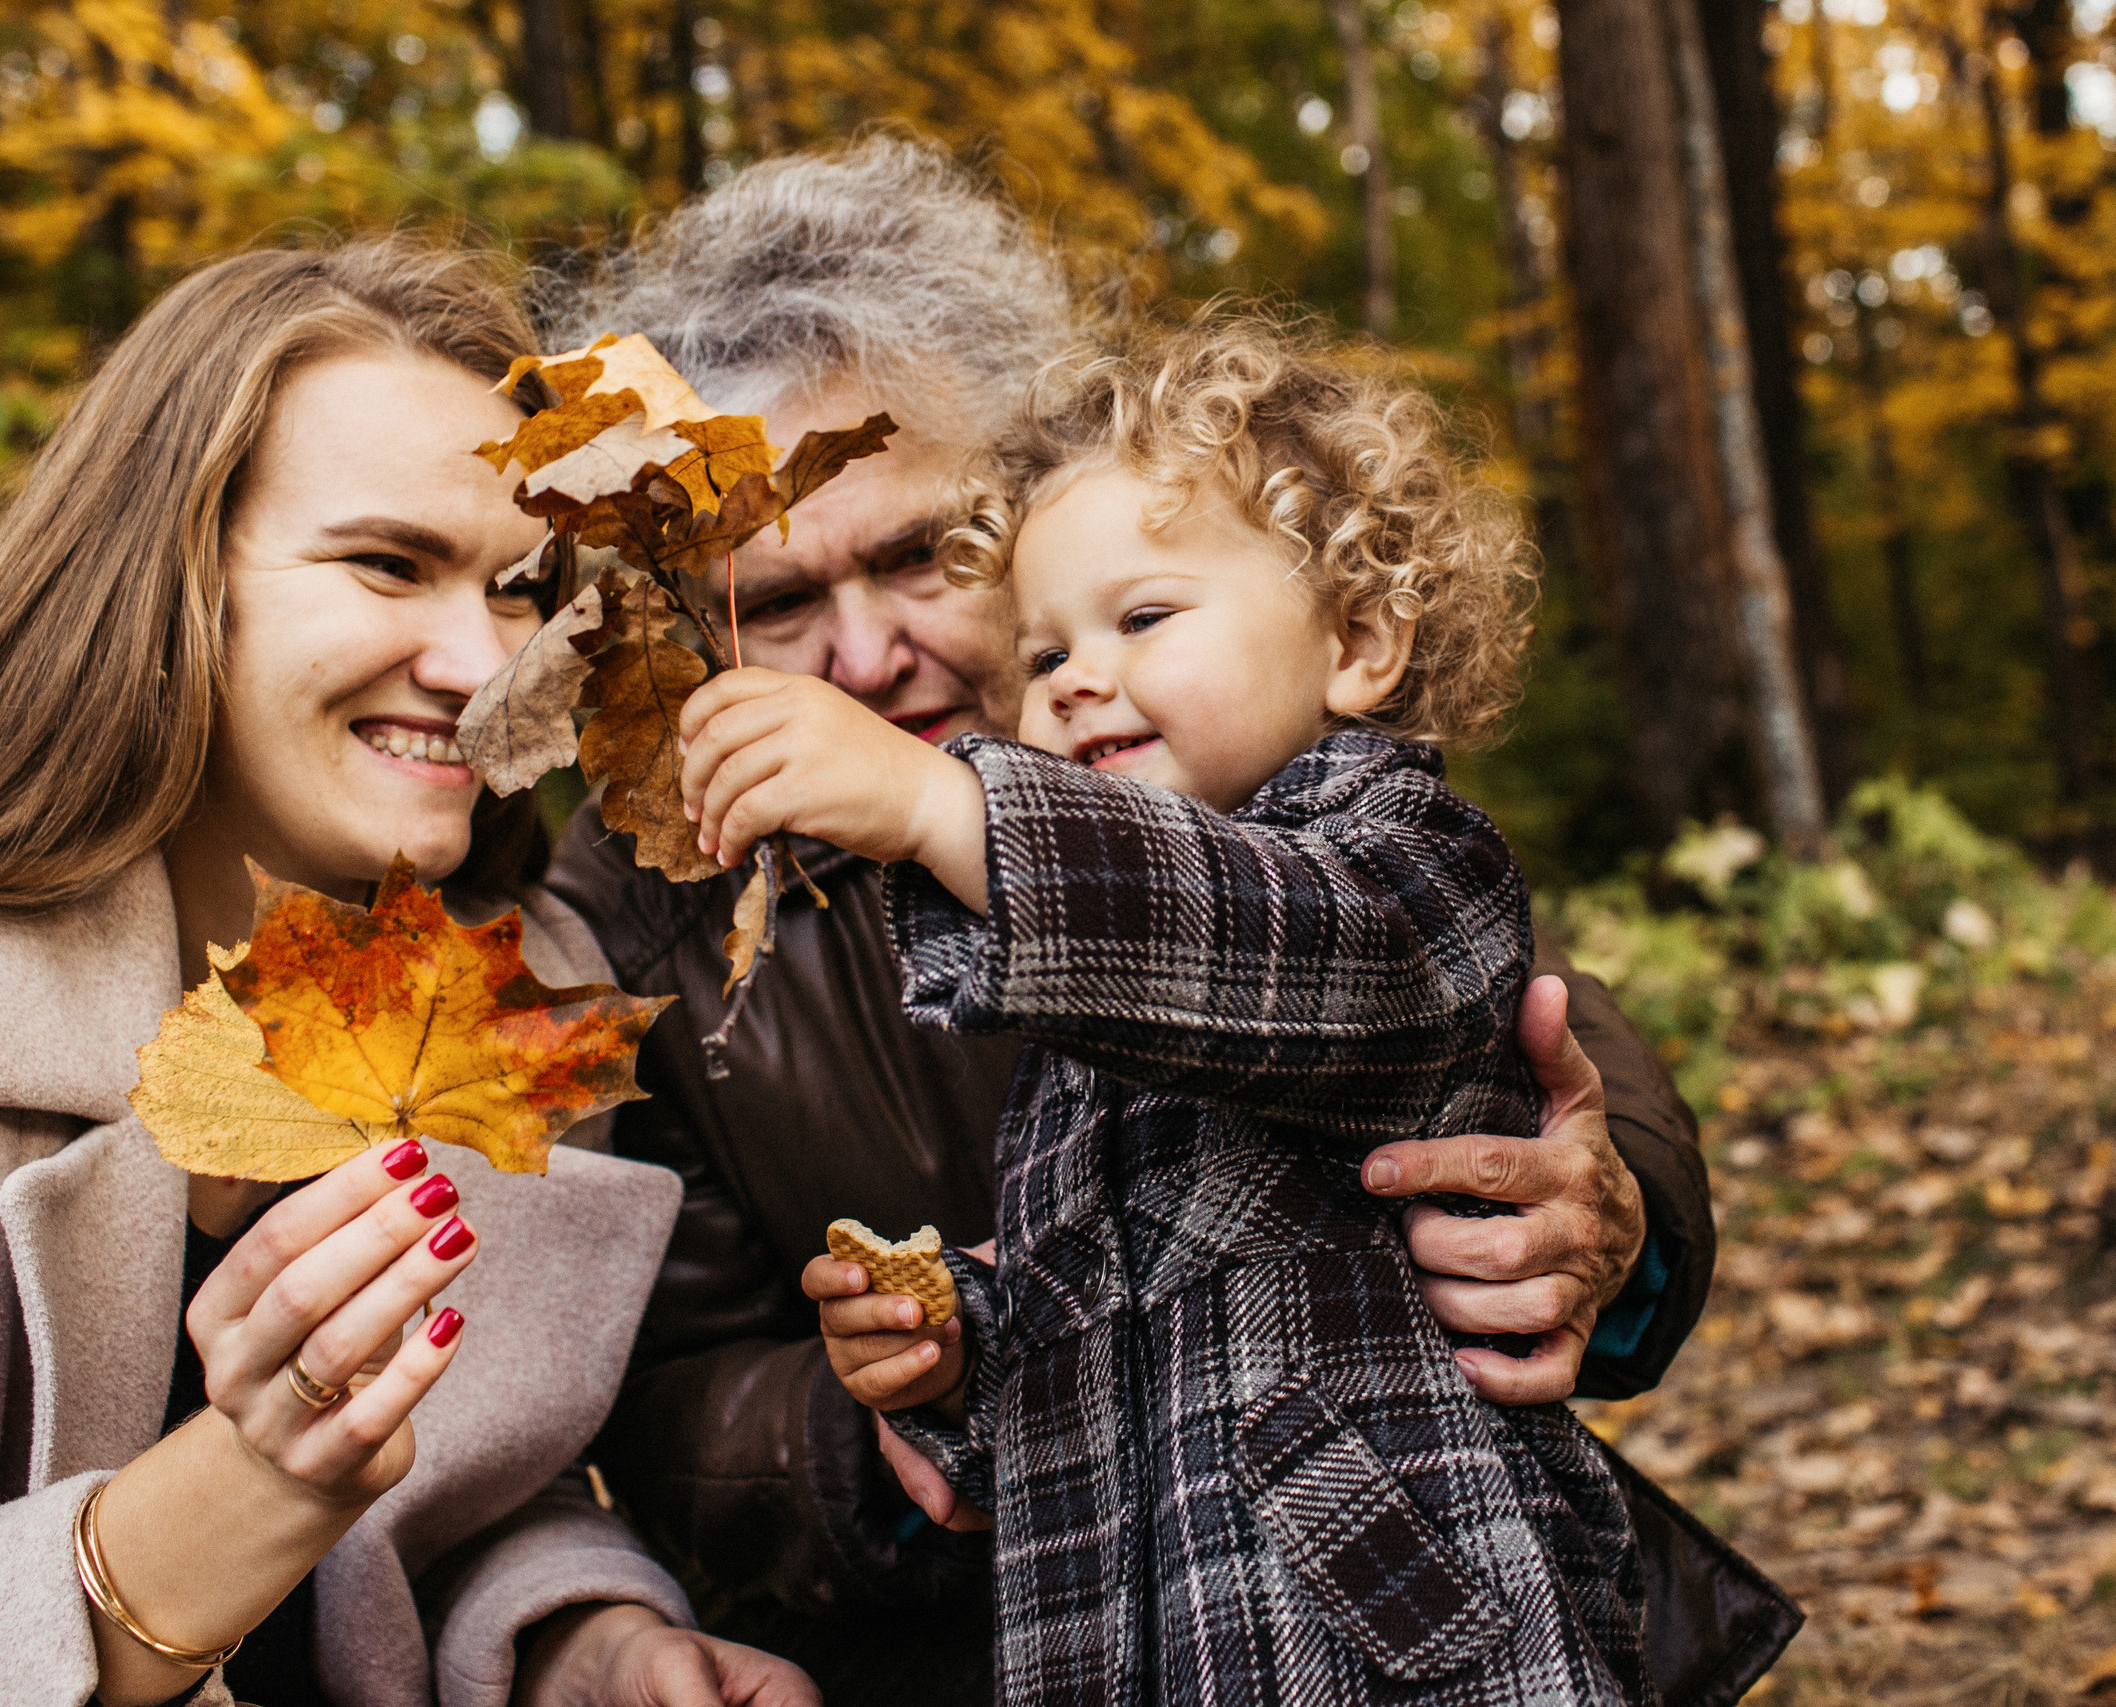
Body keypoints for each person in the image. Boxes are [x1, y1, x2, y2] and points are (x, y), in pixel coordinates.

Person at [545, 141, 1779, 1704]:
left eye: (922, 556)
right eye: (779, 602)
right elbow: (658, 1388)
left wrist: (1618, 1216)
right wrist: (889, 1398)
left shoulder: (1216, 748)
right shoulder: (637, 905)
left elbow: (1477, 991)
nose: (863, 657)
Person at [0, 238, 815, 1707]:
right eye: (387, 564)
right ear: (164, 578)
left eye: (522, 589)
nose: (482, 667)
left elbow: (455, 1510)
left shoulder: (519, 1000)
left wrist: (581, 1646)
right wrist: (248, 1482)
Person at [685, 316, 1651, 1704]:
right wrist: (952, 1352)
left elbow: (1295, 956)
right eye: (1043, 653)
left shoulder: (1410, 864)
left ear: (1360, 639)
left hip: (1391, 1641)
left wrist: (933, 801)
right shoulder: (1072, 1037)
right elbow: (1097, 1327)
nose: (1074, 679)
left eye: (1140, 620)